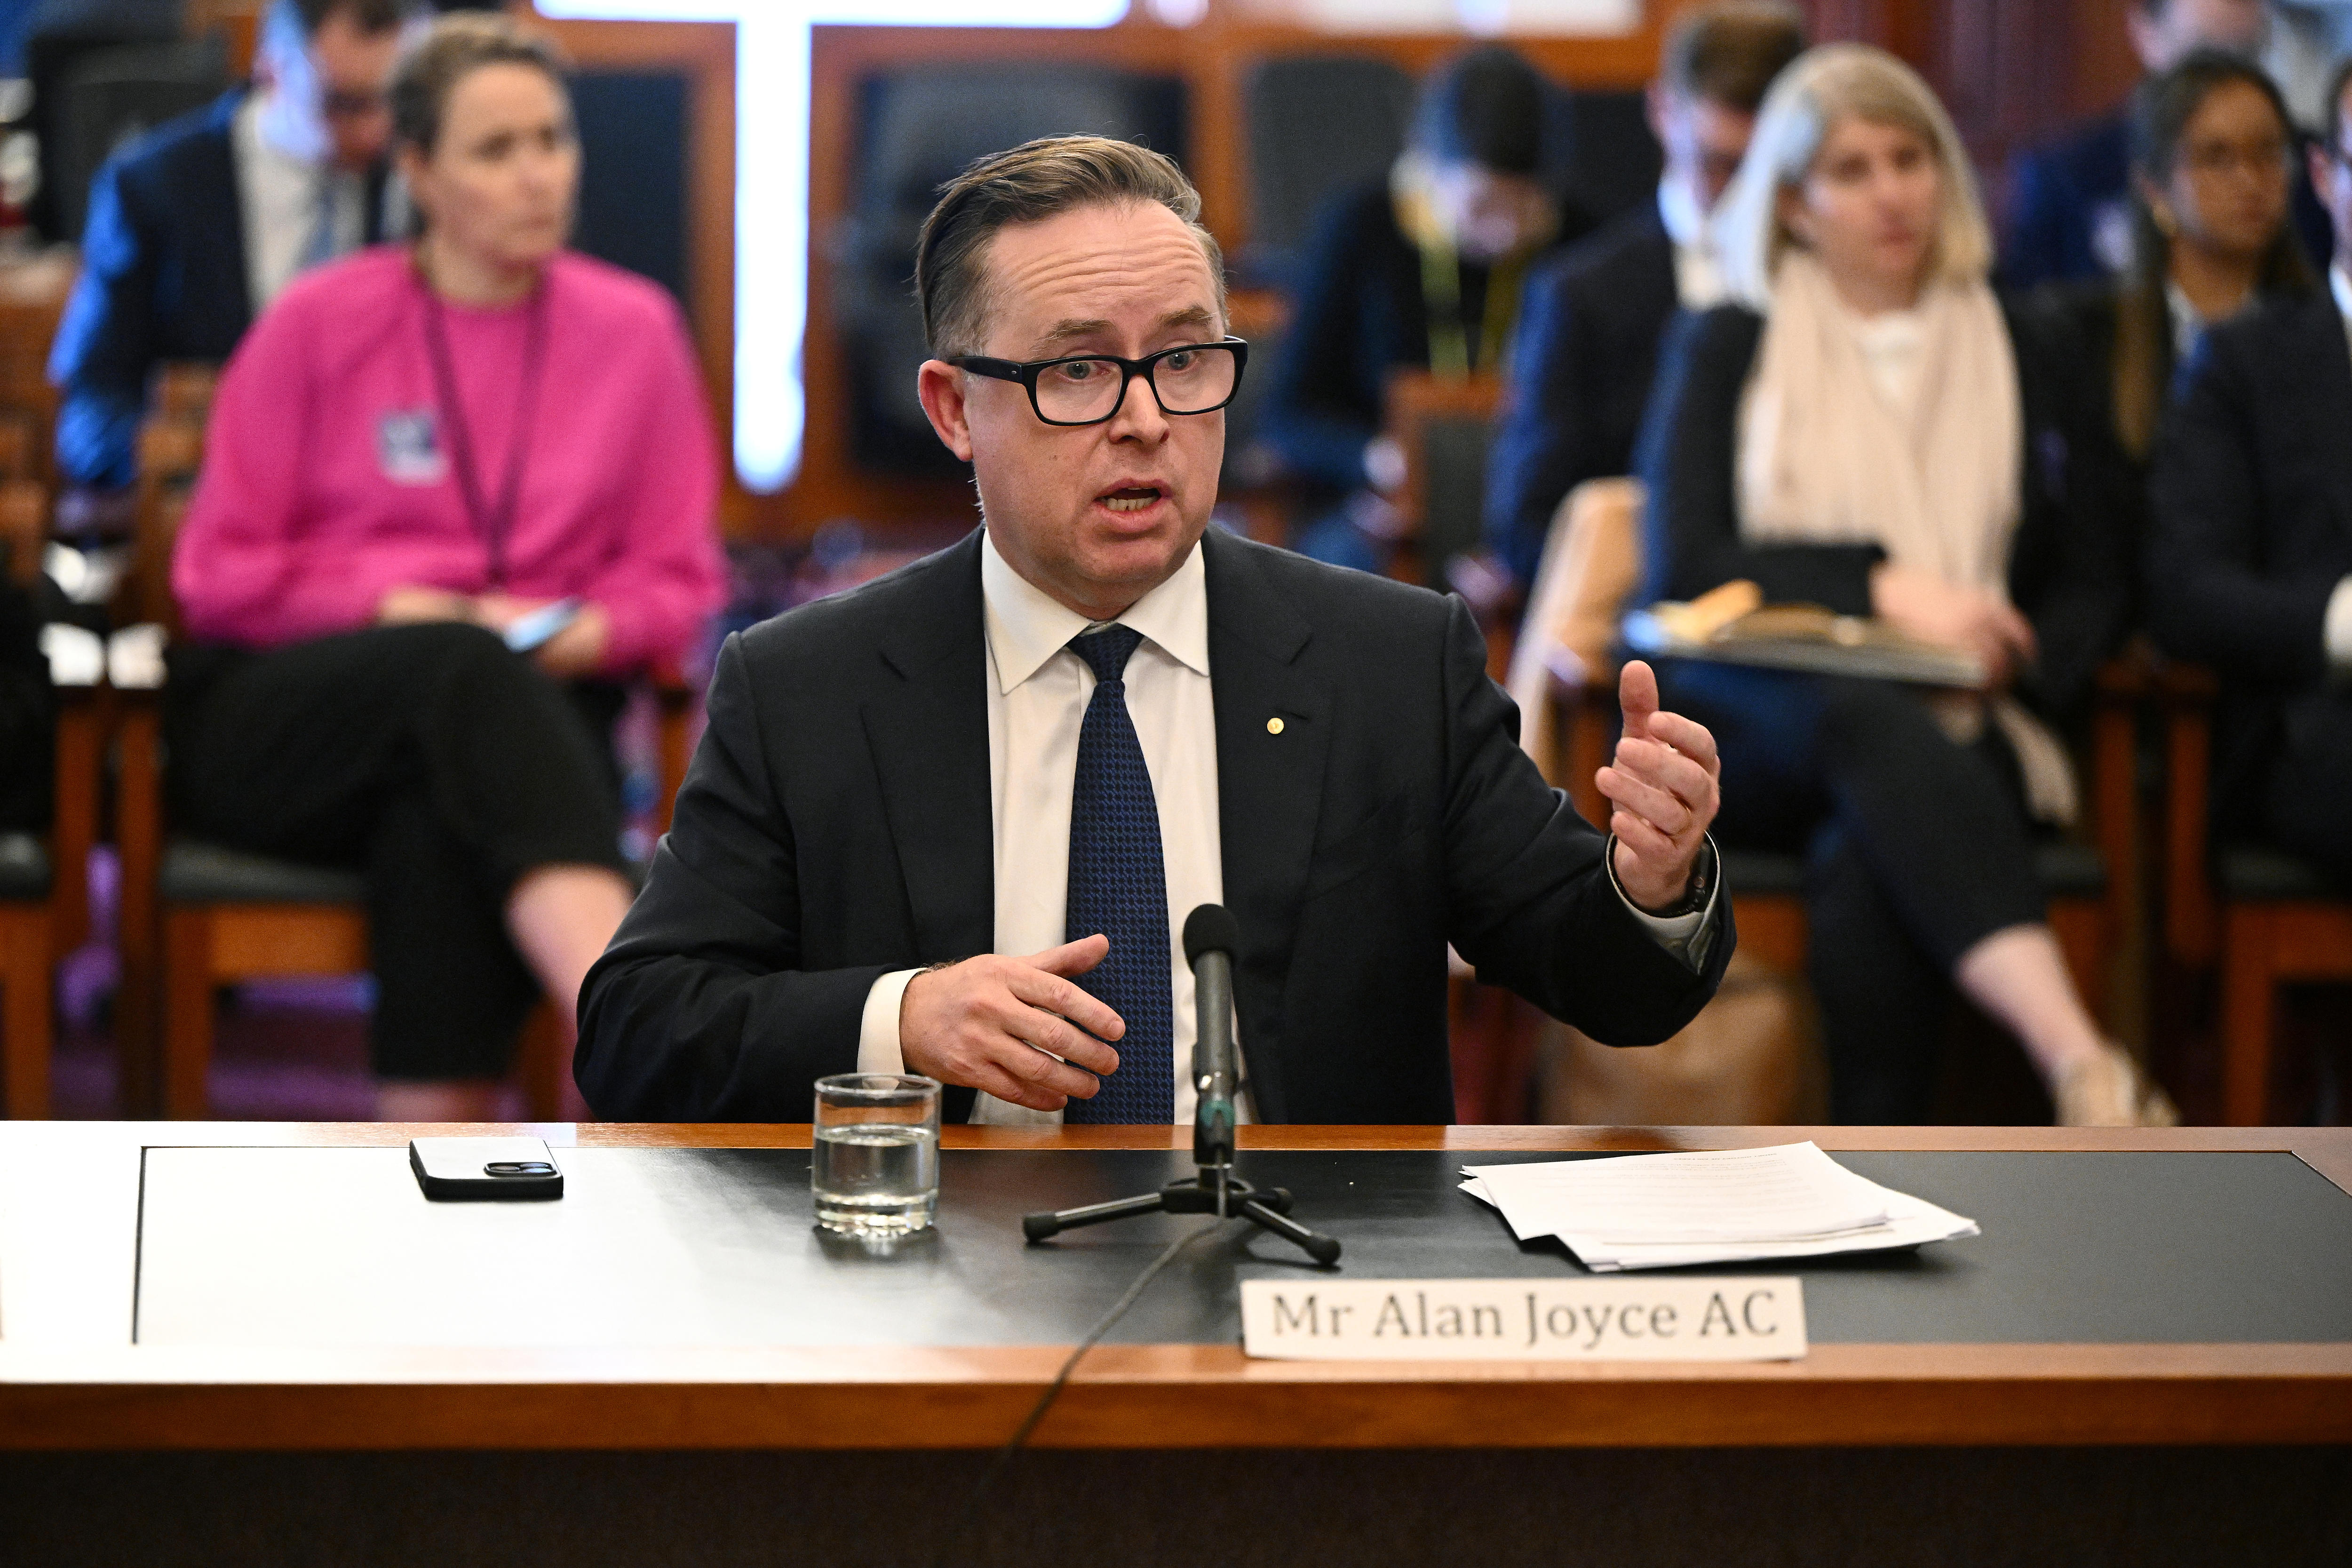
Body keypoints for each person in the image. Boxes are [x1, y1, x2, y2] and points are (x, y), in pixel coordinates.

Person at [575, 135, 1732, 1125]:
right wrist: (900, 1018)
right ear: (951, 410)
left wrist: (1653, 883)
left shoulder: (1389, 663)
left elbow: (1617, 990)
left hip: (1301, 1290)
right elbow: (637, 1030)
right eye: (1077, 370)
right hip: (943, 1289)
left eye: (1182, 361)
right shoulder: (808, 688)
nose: (1142, 421)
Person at [167, 13, 726, 1121]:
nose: (537, 176)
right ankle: (644, 1028)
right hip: (287, 725)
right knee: (460, 674)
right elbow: (214, 573)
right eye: (495, 149)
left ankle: (431, 1165)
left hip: (517, 713)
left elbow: (678, 580)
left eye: (551, 140)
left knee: (444, 798)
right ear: (417, 168)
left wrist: (588, 632)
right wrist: (391, 603)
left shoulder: (635, 331)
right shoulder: (319, 321)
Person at [1636, 45, 2172, 1126]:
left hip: (1970, 717)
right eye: (1850, 169)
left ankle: (1882, 1158)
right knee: (1861, 718)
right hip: (1762, 716)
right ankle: (2080, 1057)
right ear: (1791, 203)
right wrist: (1881, 585)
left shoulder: (2028, 340)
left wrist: (2024, 652)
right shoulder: (1727, 339)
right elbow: (1686, 560)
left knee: (1864, 850)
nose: (1890, 193)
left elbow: (2100, 565)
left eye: (1909, 159)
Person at [1484, 1, 1804, 600]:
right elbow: (1524, 525)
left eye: (1766, 167)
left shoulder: (1826, 284)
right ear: (1662, 111)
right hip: (1638, 620)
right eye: (1716, 163)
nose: (1744, 194)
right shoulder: (1580, 293)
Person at [47, 0, 425, 497]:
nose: (375, 133)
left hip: (380, 499)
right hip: (210, 500)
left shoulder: (417, 177)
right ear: (271, 67)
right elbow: (93, 403)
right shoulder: (153, 186)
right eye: (343, 104)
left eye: (392, 104)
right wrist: (180, 470)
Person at [2148, 54, 2352, 888]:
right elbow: (2187, 590)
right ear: (2326, 175)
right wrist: (2342, 619)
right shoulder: (2246, 361)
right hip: (2321, 726)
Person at [1260, 45, 1567, 574]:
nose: (1503, 232)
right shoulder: (1360, 226)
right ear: (1427, 166)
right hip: (1377, 510)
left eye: (1521, 206)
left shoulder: (1577, 242)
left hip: (1527, 516)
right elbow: (1289, 414)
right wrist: (1372, 458)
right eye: (1480, 207)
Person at [2053, 50, 2316, 600]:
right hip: (2130, 646)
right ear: (2153, 187)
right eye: (2216, 158)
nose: (2249, 180)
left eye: (2268, 153)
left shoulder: (2319, 331)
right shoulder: (2087, 336)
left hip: (2290, 638)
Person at [2000, 0, 2326, 288]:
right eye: (2203, 63)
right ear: (2147, 34)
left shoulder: (2314, 168)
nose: (2231, 90)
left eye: (2246, 59)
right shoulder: (2066, 175)